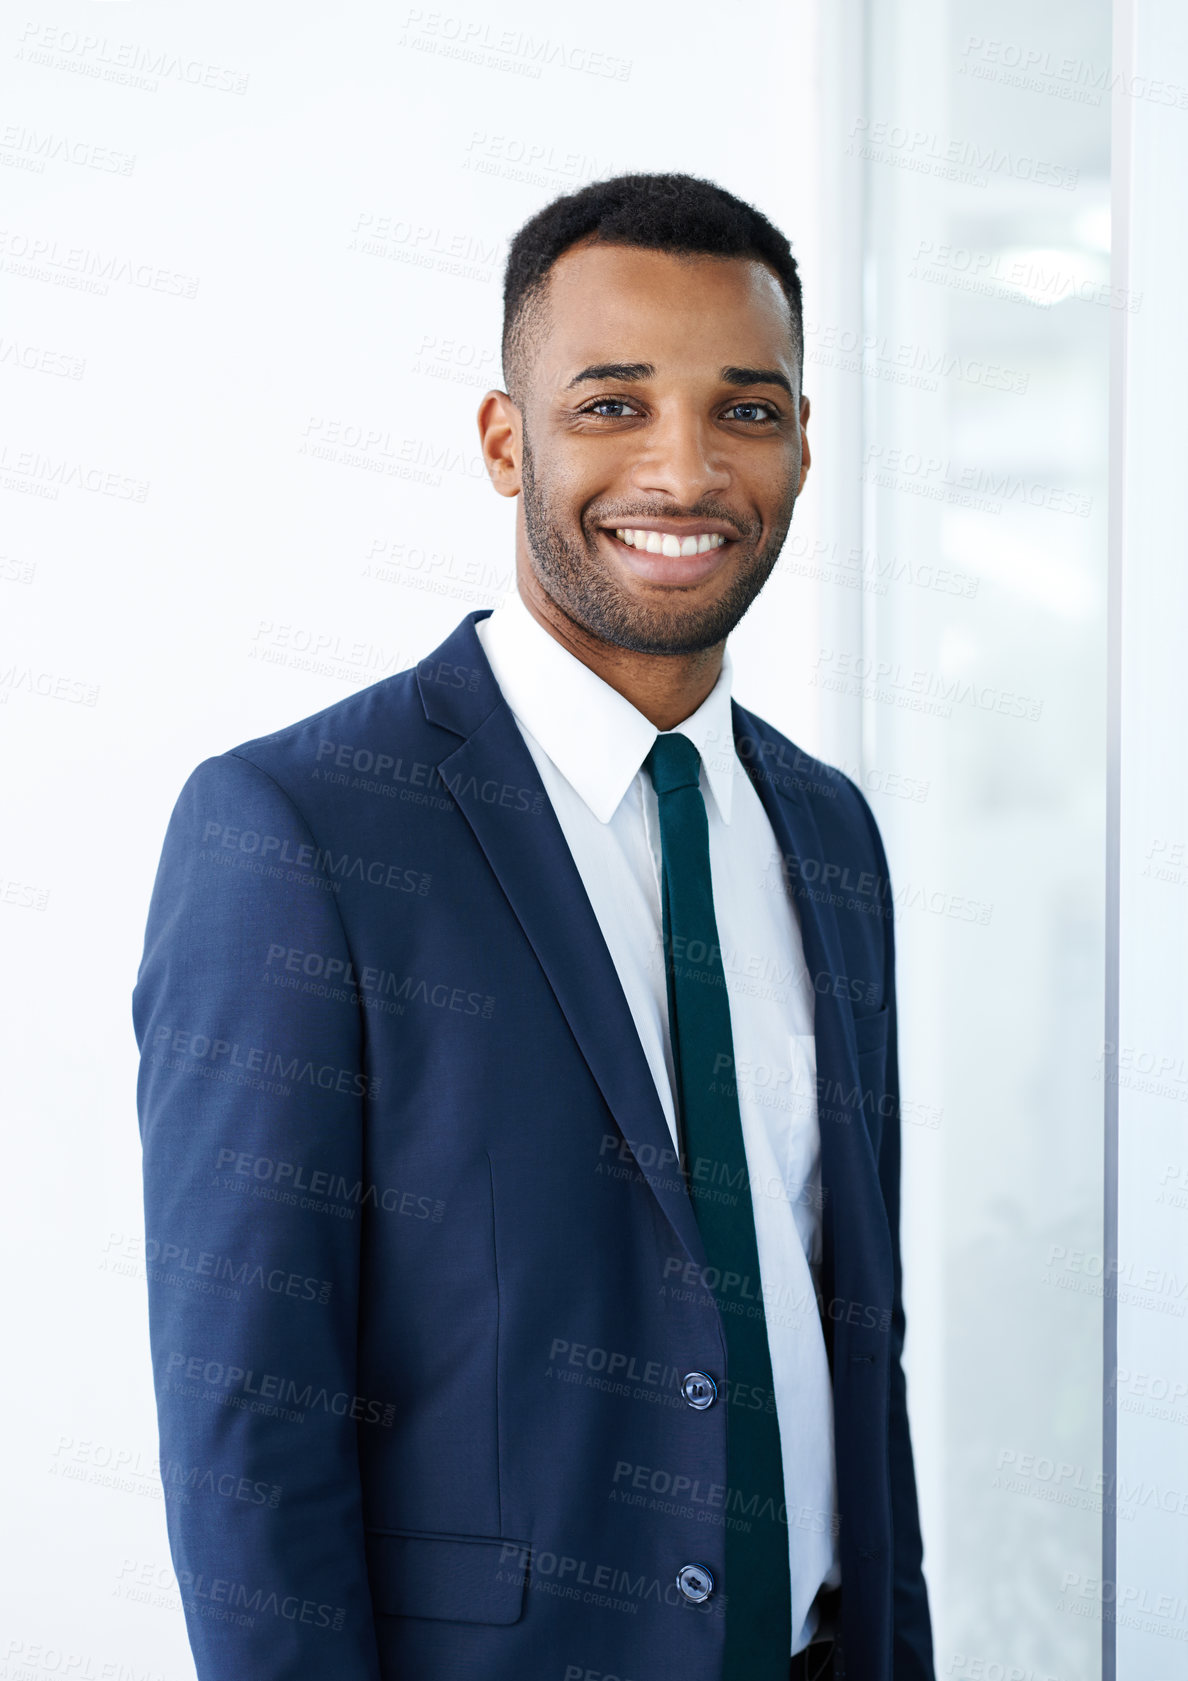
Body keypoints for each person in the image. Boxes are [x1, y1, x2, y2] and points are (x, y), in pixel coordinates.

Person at [133, 171, 934, 1681]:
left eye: (746, 411)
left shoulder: (830, 836)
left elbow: (854, 1345)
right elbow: (250, 1414)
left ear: (807, 448)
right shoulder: (306, 830)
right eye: (614, 405)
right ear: (507, 441)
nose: (685, 470)